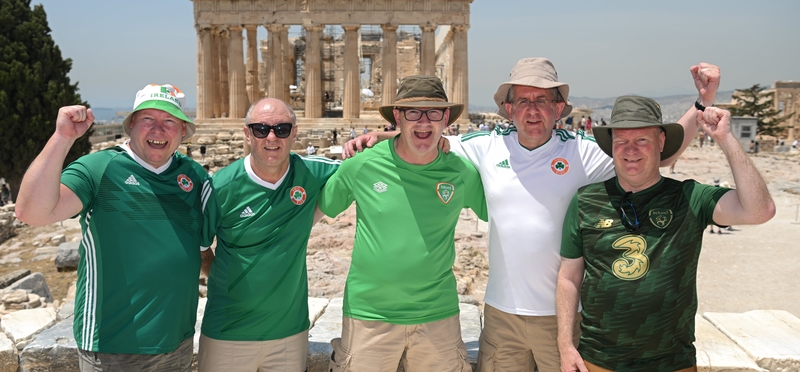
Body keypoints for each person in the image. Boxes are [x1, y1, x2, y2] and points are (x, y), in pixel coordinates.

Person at [343, 58, 719, 372]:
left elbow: (657, 154)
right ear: (508, 108)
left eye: (543, 100)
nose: (532, 109)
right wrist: (377, 137)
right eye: (523, 100)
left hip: (563, 318)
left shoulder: (583, 152)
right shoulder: (482, 146)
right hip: (501, 314)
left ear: (559, 108)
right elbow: (421, 138)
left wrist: (700, 105)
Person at [556, 96, 775, 372]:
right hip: (599, 360)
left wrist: (727, 140)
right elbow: (569, 277)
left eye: (642, 140)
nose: (630, 150)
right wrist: (565, 345)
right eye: (621, 140)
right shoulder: (585, 200)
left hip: (673, 362)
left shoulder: (689, 198)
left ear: (661, 142)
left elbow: (760, 211)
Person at [15, 84, 217, 372]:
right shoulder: (100, 168)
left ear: (183, 130)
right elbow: (31, 212)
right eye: (148, 119)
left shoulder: (194, 176)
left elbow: (200, 248)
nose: (158, 129)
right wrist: (62, 138)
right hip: (112, 348)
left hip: (177, 344)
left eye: (169, 121)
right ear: (131, 124)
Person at [319, 75, 488, 372]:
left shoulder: (461, 171)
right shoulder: (362, 164)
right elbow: (314, 212)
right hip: (369, 316)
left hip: (438, 316)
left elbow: (505, 214)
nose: (424, 122)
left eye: (433, 112)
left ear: (446, 118)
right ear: (397, 117)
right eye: (413, 112)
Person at [198, 98, 339, 372]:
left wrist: (435, 142)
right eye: (261, 129)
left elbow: (363, 168)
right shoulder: (220, 186)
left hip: (289, 335)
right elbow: (201, 248)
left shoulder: (311, 171)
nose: (272, 137)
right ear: (247, 133)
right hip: (227, 333)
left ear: (295, 133)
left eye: (282, 129)